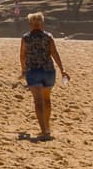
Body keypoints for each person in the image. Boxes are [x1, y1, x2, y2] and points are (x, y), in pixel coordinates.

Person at [19, 12, 69, 140]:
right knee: (46, 99)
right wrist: (62, 70)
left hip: (33, 71)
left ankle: (44, 131)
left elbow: (22, 56)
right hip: (48, 71)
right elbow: (54, 53)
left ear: (30, 24)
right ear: (42, 23)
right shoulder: (48, 37)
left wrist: (23, 70)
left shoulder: (26, 38)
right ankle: (47, 126)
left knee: (38, 101)